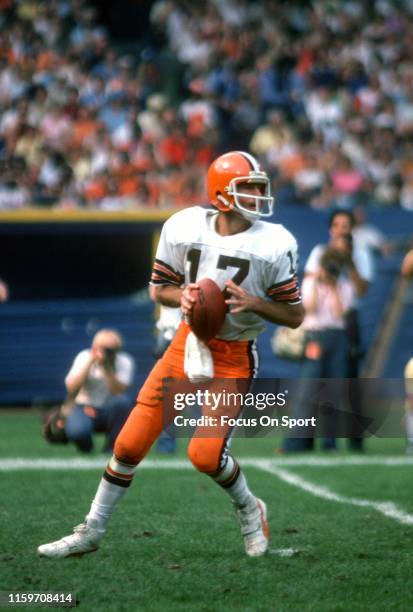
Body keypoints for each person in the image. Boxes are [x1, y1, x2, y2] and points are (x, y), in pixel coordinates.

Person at [37, 150, 304, 559]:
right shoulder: (183, 225)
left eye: (258, 187)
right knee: (128, 445)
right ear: (220, 195)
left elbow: (295, 315)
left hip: (234, 354)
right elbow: (159, 288)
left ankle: (251, 508)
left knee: (204, 454)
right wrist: (184, 295)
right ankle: (91, 529)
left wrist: (255, 303)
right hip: (187, 343)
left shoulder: (274, 243)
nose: (256, 195)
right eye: (247, 188)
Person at [304, 209, 374, 451]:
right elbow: (312, 281)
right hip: (322, 319)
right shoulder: (320, 252)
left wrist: (350, 261)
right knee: (315, 384)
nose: (342, 230)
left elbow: (362, 290)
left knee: (350, 382)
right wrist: (330, 264)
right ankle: (310, 441)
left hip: (348, 320)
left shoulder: (361, 254)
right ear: (331, 229)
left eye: (346, 225)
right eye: (337, 225)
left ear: (352, 228)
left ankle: (355, 441)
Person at [282, 248, 355, 452]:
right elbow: (310, 308)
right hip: (315, 337)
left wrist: (333, 287)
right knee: (308, 391)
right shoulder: (309, 283)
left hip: (338, 338)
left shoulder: (345, 286)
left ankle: (329, 443)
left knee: (333, 392)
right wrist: (317, 282)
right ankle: (296, 442)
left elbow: (341, 314)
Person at [60, 329, 135, 453]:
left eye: (111, 350)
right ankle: (86, 447)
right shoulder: (83, 357)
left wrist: (107, 368)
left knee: (122, 403)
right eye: (104, 349)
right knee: (78, 431)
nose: (108, 354)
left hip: (108, 411)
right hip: (83, 407)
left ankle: (112, 448)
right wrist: (90, 362)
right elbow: (72, 389)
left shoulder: (124, 361)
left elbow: (117, 392)